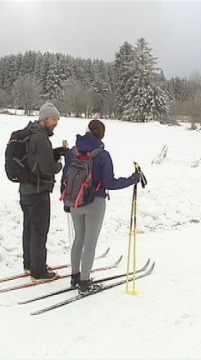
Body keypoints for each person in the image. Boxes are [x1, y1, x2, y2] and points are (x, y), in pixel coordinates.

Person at [61, 119, 140, 294]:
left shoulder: (72, 152)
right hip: (95, 203)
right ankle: (85, 283)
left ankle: (75, 276)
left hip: (75, 201)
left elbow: (65, 177)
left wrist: (67, 200)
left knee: (78, 238)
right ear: (102, 134)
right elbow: (109, 183)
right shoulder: (103, 155)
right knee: (90, 241)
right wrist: (131, 179)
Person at [20, 101, 65, 282]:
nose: (56, 123)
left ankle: (29, 264)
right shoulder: (41, 138)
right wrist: (59, 164)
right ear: (45, 119)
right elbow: (47, 168)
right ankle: (38, 272)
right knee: (39, 230)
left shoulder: (30, 133)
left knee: (29, 228)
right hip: (39, 191)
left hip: (25, 190)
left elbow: (35, 159)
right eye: (54, 119)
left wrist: (53, 152)